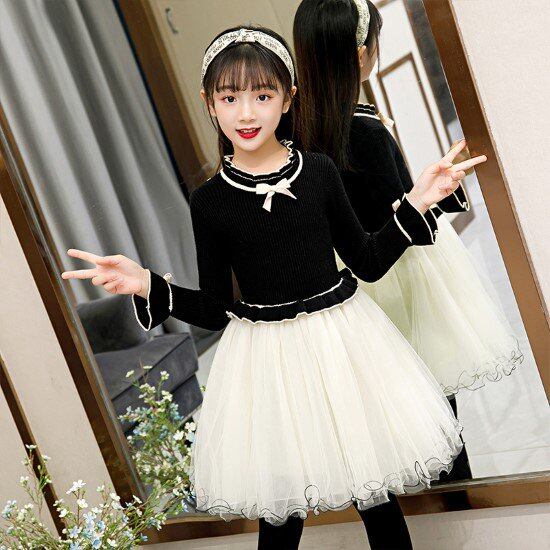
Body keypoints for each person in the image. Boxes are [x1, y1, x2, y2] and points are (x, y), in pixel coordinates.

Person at [62, 25, 486, 549]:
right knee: (281, 510)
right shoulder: (210, 202)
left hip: (345, 345)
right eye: (230, 98)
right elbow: (215, 310)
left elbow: (369, 262)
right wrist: (146, 283)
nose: (246, 113)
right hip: (268, 361)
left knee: (376, 497)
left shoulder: (320, 172)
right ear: (209, 103)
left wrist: (418, 200)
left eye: (262, 96)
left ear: (288, 99)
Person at [293, 0, 524, 490]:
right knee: (436, 409)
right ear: (361, 55)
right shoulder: (364, 131)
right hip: (397, 277)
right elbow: (402, 222)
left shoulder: (294, 129)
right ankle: (452, 500)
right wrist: (443, 193)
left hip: (340, 286)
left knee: (387, 418)